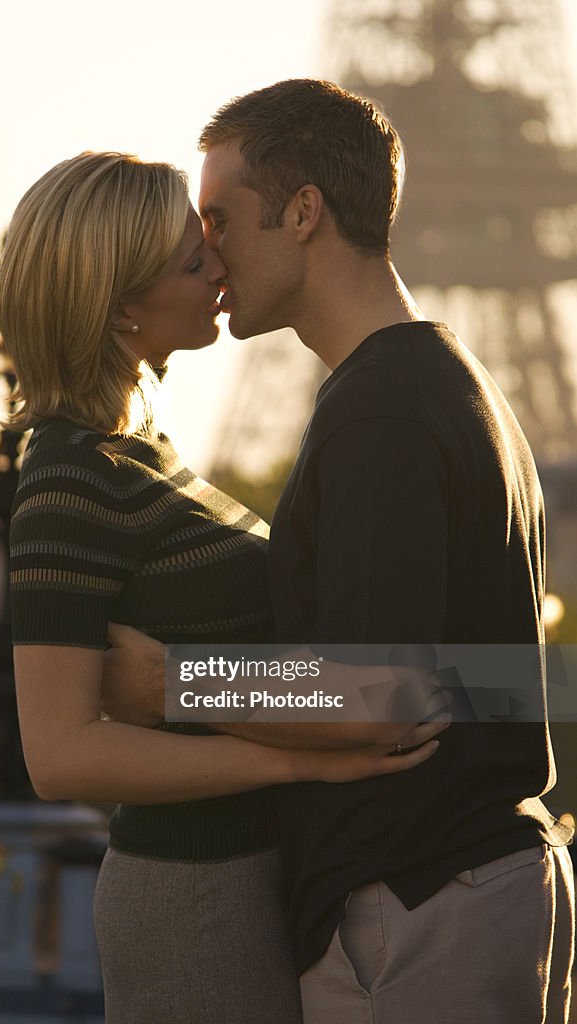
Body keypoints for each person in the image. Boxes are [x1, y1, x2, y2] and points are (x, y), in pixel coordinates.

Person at [105, 80, 575, 1023]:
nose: (206, 251)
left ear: (304, 212)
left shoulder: (382, 410)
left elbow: (375, 692)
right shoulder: (443, 382)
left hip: (416, 907)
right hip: (467, 888)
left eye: (221, 218)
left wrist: (167, 686)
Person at [0, 151, 448, 1024]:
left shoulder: (142, 457)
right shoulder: (68, 476)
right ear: (121, 303)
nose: (216, 262)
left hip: (247, 879)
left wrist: (179, 684)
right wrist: (294, 758)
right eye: (187, 257)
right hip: (193, 897)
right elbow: (59, 756)